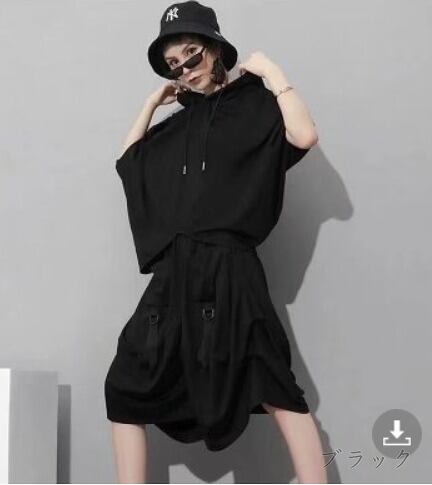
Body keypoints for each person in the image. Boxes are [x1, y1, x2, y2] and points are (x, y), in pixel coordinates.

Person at [104, 1, 326, 483]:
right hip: (175, 274)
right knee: (125, 385)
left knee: (272, 381)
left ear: (216, 48)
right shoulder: (176, 126)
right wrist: (151, 103)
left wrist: (271, 72)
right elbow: (128, 163)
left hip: (231, 267)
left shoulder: (255, 105)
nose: (185, 68)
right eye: (173, 65)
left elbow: (304, 135)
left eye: (192, 54)